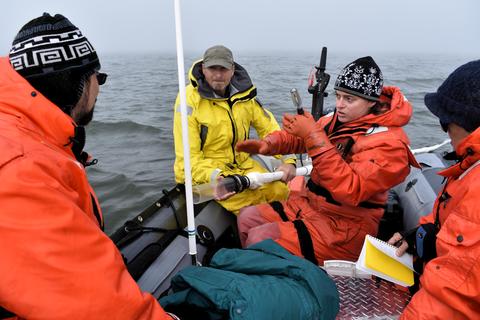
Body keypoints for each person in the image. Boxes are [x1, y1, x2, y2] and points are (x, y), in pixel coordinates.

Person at [0, 13, 176, 319]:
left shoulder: (27, 138)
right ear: (77, 82)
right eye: (99, 78)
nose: (100, 89)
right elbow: (103, 312)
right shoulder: (22, 170)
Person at [236, 56, 419, 265]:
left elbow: (351, 189)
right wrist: (268, 145)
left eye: (349, 99)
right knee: (247, 217)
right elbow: (300, 139)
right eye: (338, 96)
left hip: (345, 227)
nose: (340, 105)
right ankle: (258, 272)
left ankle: (279, 284)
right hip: (311, 206)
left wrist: (313, 134)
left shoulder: (389, 144)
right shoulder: (338, 120)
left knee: (261, 238)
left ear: (371, 102)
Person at [388, 60, 480, 319]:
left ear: (467, 121)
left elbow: (453, 301)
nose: (445, 129)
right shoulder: (467, 168)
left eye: (446, 121)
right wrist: (421, 236)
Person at [173, 45, 296, 213]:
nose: (217, 75)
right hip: (208, 174)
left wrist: (289, 161)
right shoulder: (189, 100)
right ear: (203, 68)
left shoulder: (244, 95)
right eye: (212, 68)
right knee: (253, 208)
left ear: (232, 70)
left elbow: (270, 130)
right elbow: (188, 160)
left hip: (243, 165)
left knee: (280, 192)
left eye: (223, 69)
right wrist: (220, 177)